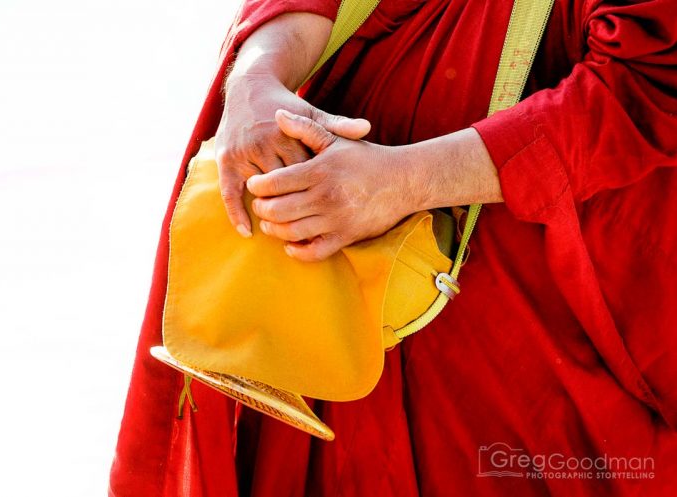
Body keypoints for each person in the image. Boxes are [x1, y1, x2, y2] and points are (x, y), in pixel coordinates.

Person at [109, 1, 677, 495]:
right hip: (319, 290)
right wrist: (256, 80)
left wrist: (404, 182)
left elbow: (645, 83)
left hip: (517, 316)